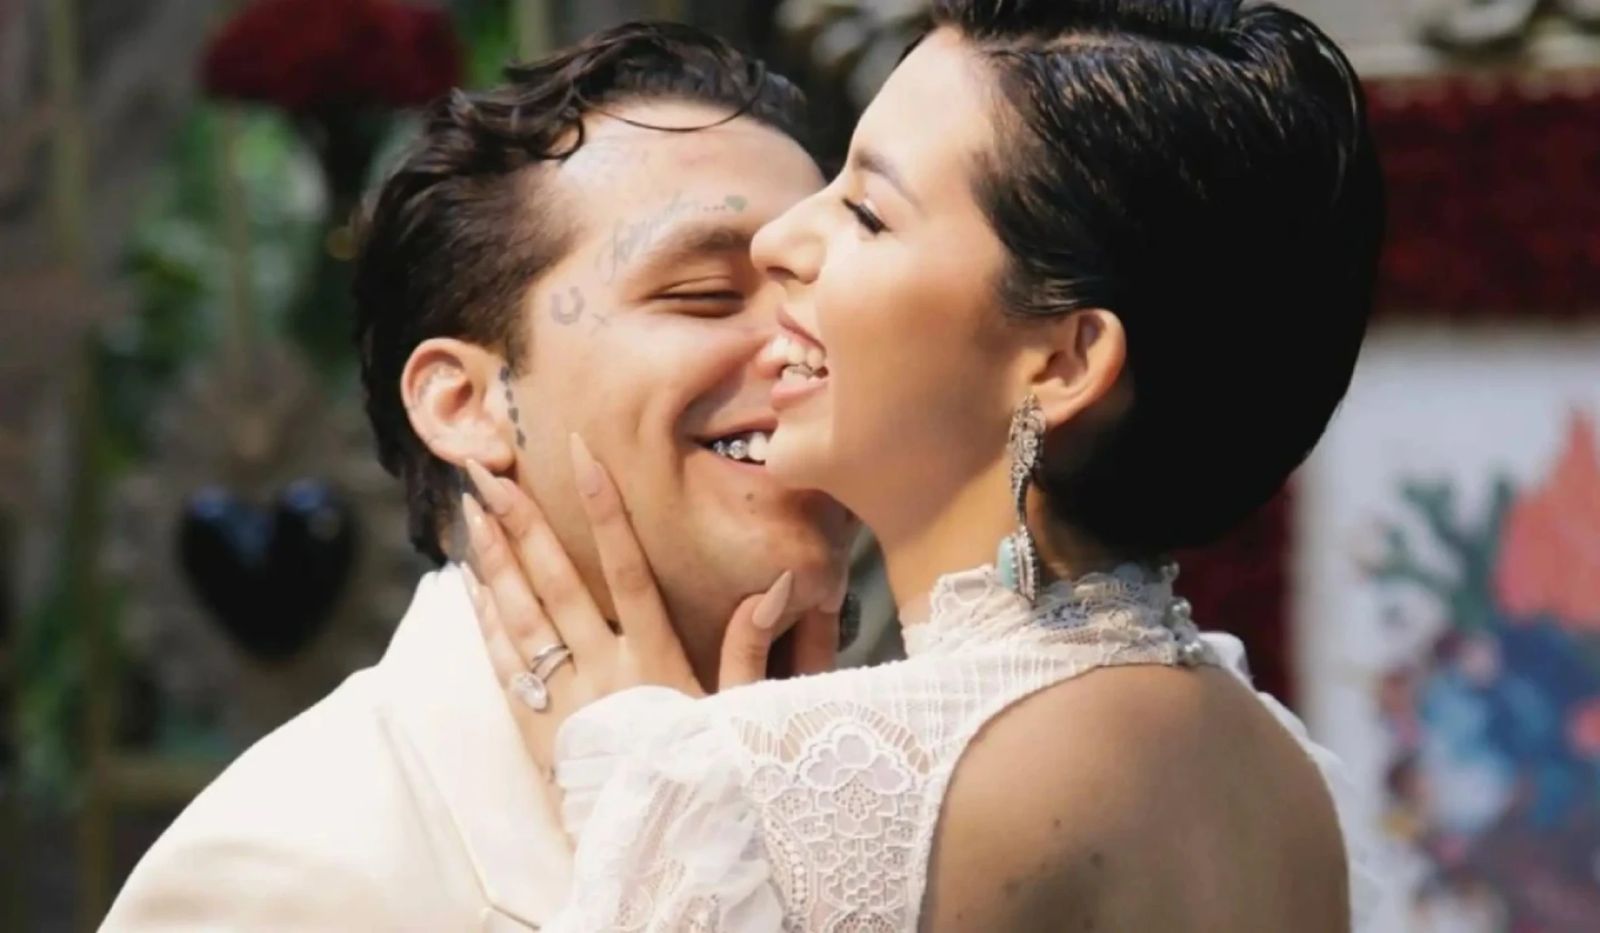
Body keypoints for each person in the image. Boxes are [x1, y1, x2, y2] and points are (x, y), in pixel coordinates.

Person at [461, 1, 1388, 930]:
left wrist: (657, 785)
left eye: (867, 213)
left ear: (1064, 363)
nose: (779, 242)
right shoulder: (1292, 779)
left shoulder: (773, 788)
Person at [100, 23, 858, 931]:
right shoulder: (283, 874)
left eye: (829, 293)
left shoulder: (905, 786)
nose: (815, 347)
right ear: (465, 404)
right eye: (705, 295)